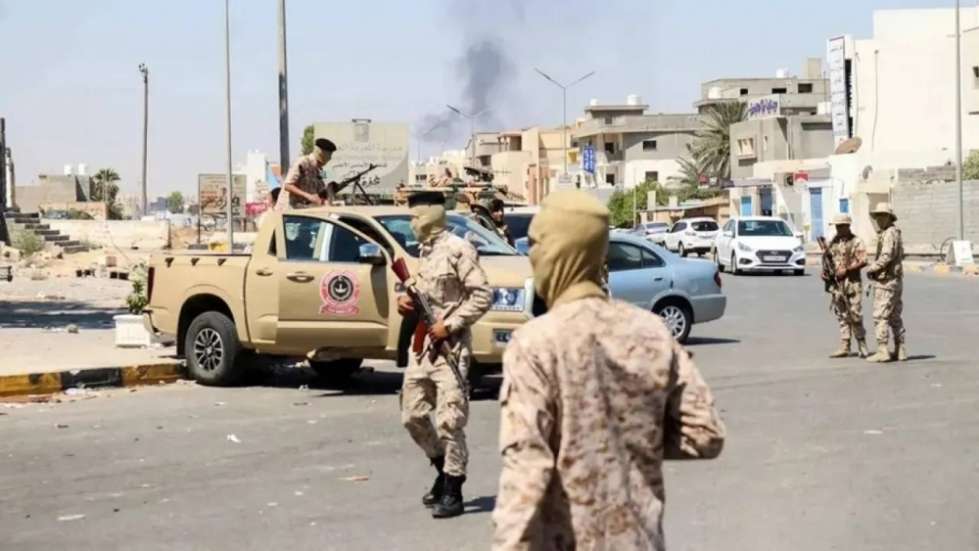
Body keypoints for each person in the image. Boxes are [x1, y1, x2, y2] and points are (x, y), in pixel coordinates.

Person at [492, 190, 726, 550]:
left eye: (536, 244)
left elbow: (527, 471)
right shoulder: (651, 331)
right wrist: (632, 437)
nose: (531, 256)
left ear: (559, 250)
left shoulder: (536, 343)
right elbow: (705, 434)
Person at [397, 191, 492, 519]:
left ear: (428, 217)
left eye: (414, 217)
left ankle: (453, 488)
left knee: (450, 420)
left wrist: (450, 325)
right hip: (423, 348)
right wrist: (405, 302)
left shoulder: (458, 249)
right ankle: (441, 469)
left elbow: (482, 296)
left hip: (451, 348)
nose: (411, 224)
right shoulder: (424, 252)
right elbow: (423, 295)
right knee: (412, 415)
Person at [823, 214, 869, 359]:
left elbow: (863, 261)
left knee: (855, 314)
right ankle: (845, 346)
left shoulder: (856, 241)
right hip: (837, 284)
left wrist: (847, 270)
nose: (838, 229)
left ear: (848, 226)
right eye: (837, 226)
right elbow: (828, 261)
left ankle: (861, 344)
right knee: (842, 315)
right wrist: (825, 274)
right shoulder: (833, 242)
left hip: (852, 283)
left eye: (841, 226)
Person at [865, 202, 906, 363]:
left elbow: (887, 255)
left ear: (889, 217)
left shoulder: (889, 233)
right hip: (895, 280)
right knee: (895, 316)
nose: (879, 219)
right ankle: (900, 349)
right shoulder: (895, 233)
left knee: (880, 316)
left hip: (887, 281)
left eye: (882, 216)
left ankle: (883, 350)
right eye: (877, 216)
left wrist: (873, 268)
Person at [277, 138, 337, 209]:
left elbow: (321, 189)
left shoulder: (320, 170)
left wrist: (329, 193)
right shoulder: (302, 162)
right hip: (288, 210)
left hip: (304, 209)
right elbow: (287, 185)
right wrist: (308, 196)